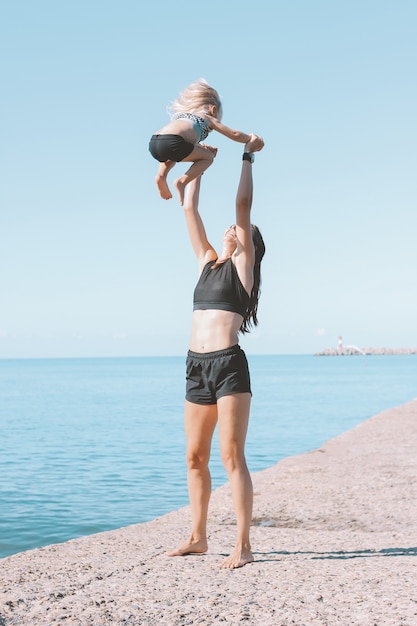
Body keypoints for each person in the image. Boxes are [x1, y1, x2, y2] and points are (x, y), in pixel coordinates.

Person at [167, 133, 265, 569]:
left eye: (240, 231)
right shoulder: (207, 261)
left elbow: (242, 207)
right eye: (229, 228)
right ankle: (198, 536)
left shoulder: (242, 272)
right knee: (194, 456)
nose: (231, 227)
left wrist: (246, 155)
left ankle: (242, 545)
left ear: (248, 245)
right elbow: (188, 207)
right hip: (195, 365)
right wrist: (199, 166)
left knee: (230, 455)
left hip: (227, 367)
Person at [149, 78, 256, 205]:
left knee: (173, 153)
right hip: (174, 142)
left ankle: (161, 175)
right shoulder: (207, 118)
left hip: (154, 142)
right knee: (208, 157)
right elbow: (234, 134)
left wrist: (199, 148)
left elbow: (176, 139)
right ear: (213, 110)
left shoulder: (183, 117)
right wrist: (250, 139)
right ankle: (182, 182)